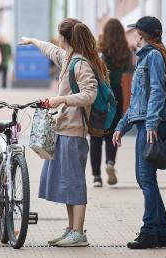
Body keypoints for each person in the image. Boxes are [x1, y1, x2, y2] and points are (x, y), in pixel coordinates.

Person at [19, 18, 107, 247]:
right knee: (67, 183)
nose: (57, 40)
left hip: (74, 132)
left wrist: (61, 99)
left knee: (74, 183)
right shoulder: (67, 58)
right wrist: (34, 41)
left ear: (66, 38)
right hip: (63, 131)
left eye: (59, 35)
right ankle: (71, 230)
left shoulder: (81, 64)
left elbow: (90, 94)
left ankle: (79, 233)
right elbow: (52, 51)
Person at [113, 16, 166, 249]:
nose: (134, 35)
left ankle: (150, 231)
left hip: (152, 126)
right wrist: (121, 126)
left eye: (137, 32)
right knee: (146, 178)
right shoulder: (144, 58)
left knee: (146, 178)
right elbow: (138, 100)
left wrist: (150, 124)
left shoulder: (154, 57)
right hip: (144, 124)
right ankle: (160, 231)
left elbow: (158, 93)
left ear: (144, 34)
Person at [90, 18, 130, 187]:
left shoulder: (99, 50)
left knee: (96, 135)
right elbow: (127, 69)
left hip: (101, 93)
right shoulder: (125, 52)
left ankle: (97, 177)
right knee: (113, 131)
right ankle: (110, 163)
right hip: (116, 93)